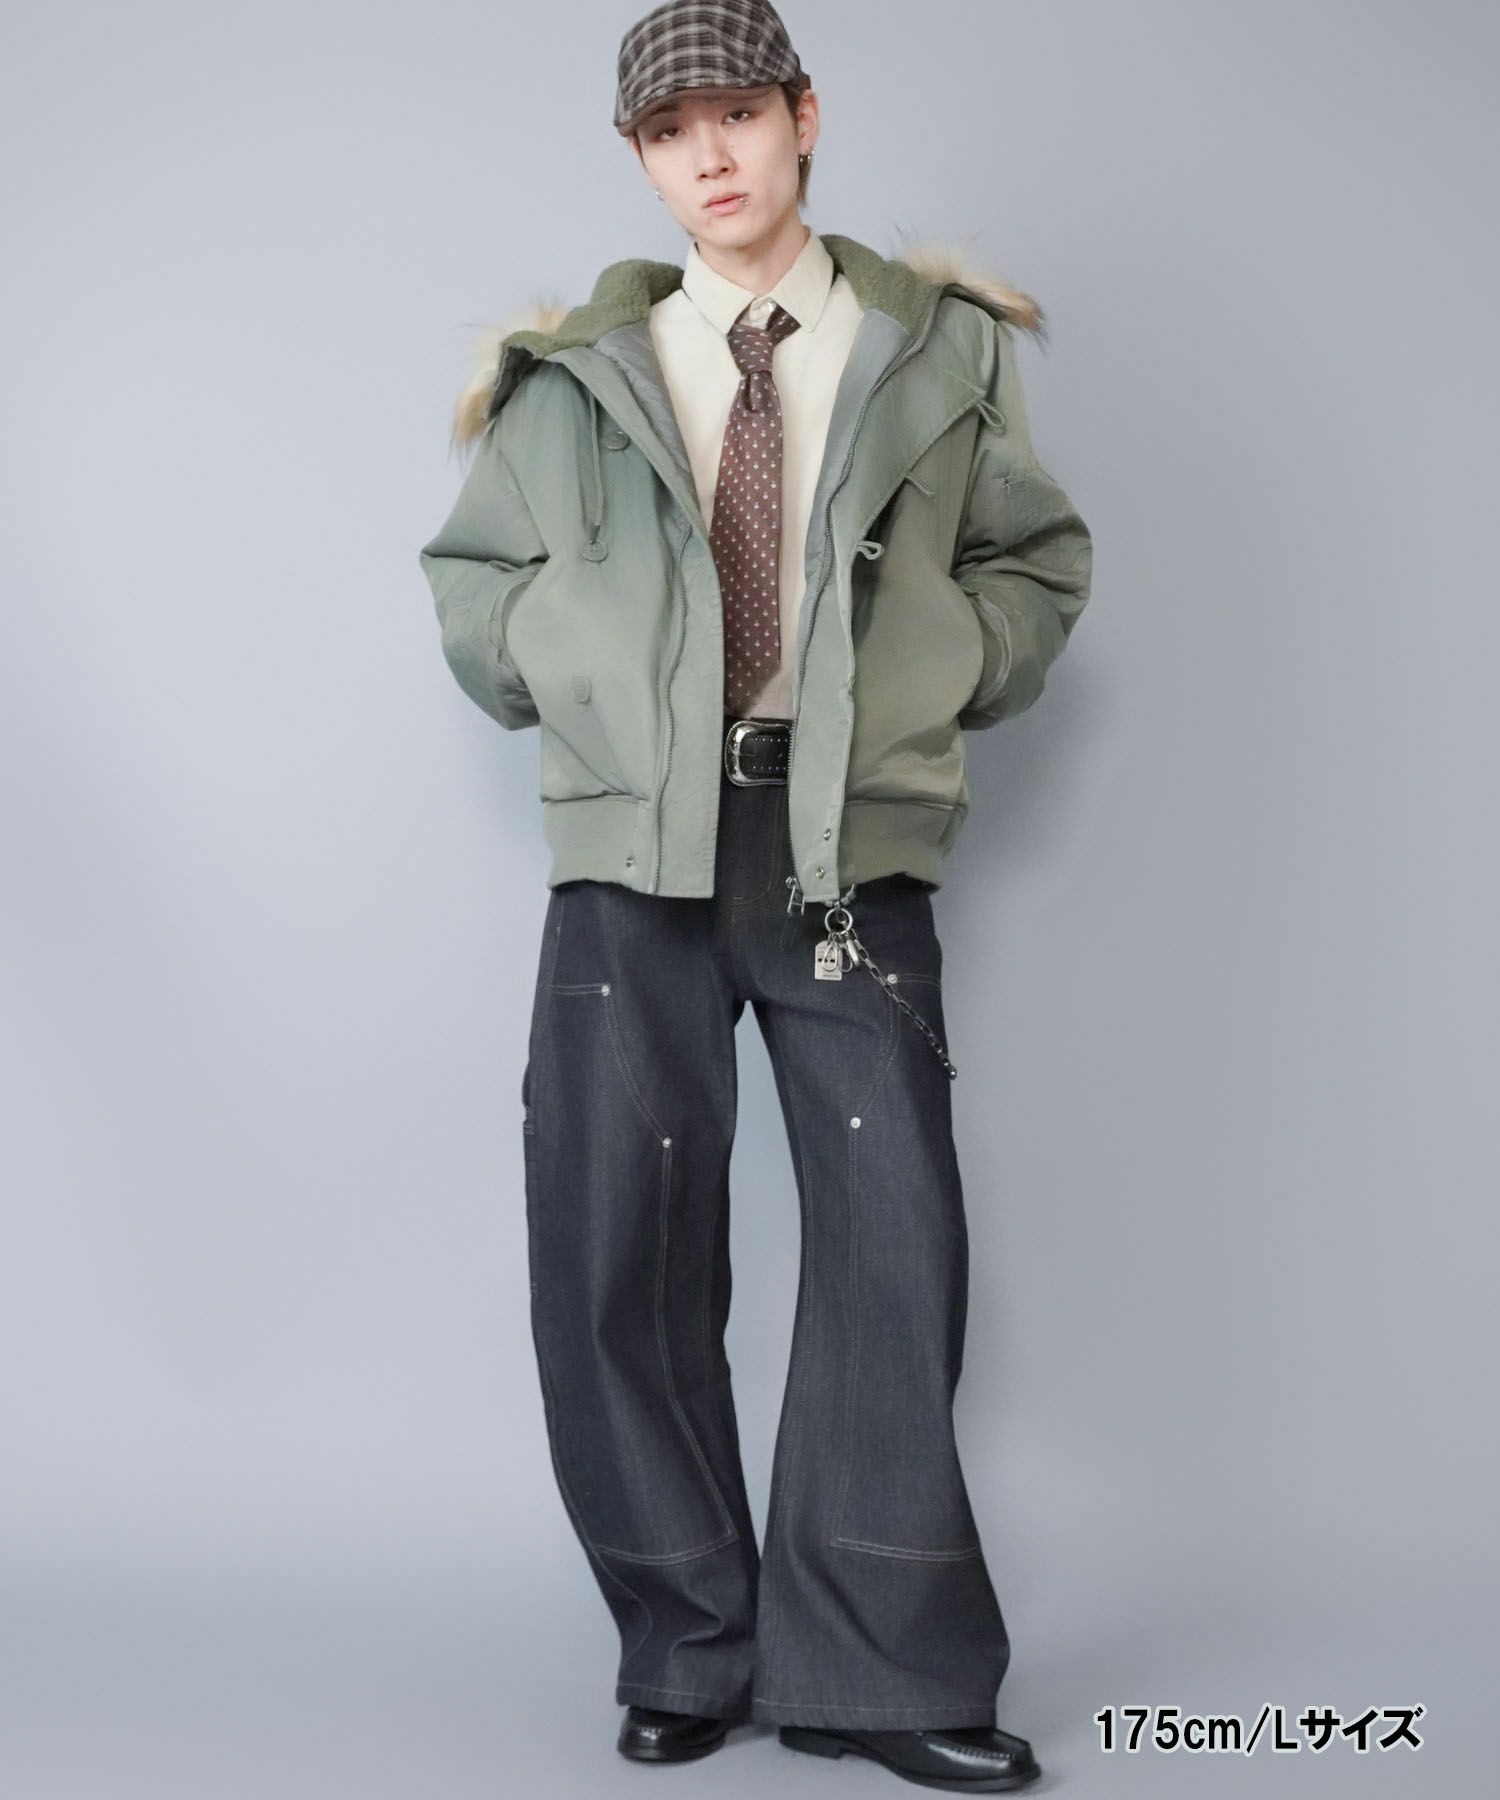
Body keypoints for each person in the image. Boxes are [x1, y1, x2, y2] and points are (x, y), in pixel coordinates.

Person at [417, 0, 1092, 1787]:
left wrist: (937, 670)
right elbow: (477, 584)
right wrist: (578, 672)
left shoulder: (934, 348)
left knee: (894, 1240)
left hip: (843, 836)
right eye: (668, 132)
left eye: (735, 113)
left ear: (804, 114)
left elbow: (1035, 560)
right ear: (640, 160)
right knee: (614, 1241)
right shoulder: (577, 374)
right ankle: (690, 1645)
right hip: (634, 847)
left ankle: (887, 1670)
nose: (707, 155)